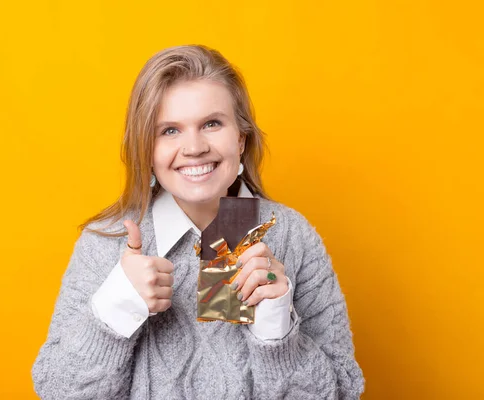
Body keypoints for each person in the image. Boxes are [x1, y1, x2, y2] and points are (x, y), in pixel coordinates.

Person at [31, 44, 365, 399]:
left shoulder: (293, 236)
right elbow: (56, 391)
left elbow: (344, 391)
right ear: (146, 148)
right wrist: (115, 312)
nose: (193, 147)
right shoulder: (106, 241)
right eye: (170, 130)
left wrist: (276, 330)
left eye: (211, 123)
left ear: (241, 137)